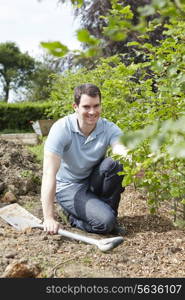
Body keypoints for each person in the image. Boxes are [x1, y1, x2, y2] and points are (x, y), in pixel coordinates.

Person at [41, 83, 130, 235]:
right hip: (69, 187)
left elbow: (121, 149)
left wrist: (134, 164)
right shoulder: (61, 129)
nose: (92, 112)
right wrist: (48, 217)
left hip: (91, 180)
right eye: (86, 107)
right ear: (75, 107)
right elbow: (49, 173)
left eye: (96, 106)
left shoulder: (108, 127)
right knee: (105, 223)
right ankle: (75, 218)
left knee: (116, 163)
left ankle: (108, 218)